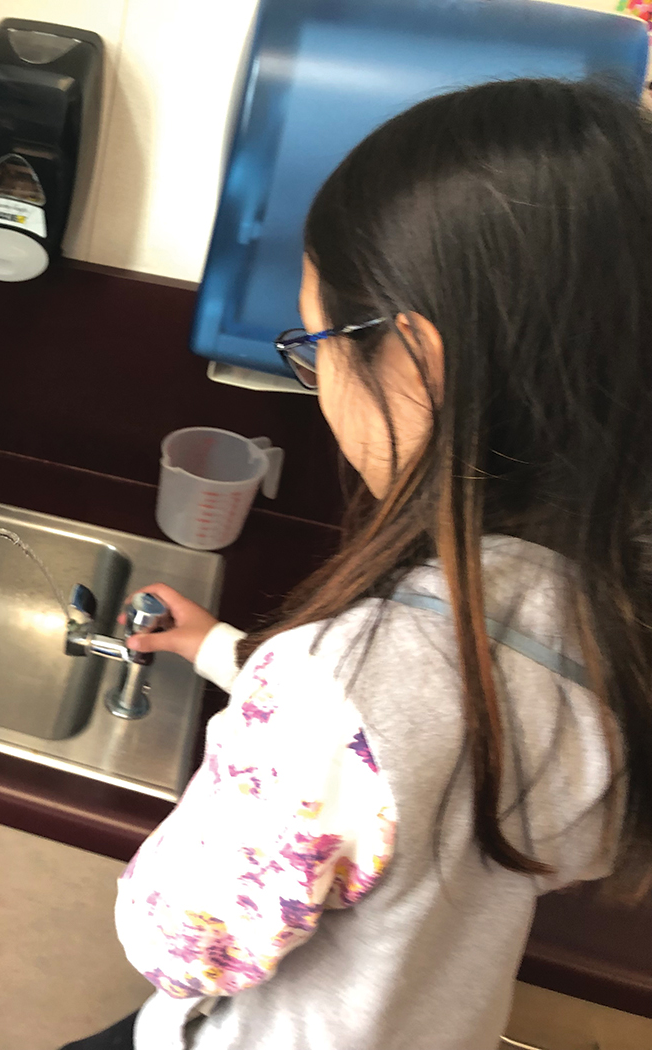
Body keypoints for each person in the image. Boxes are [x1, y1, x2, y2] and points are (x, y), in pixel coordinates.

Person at [63, 77, 652, 1050]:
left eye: (315, 344)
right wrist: (221, 652)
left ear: (416, 363)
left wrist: (242, 758)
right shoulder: (598, 612)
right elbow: (412, 743)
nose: (317, 381)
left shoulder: (337, 688)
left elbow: (179, 943)